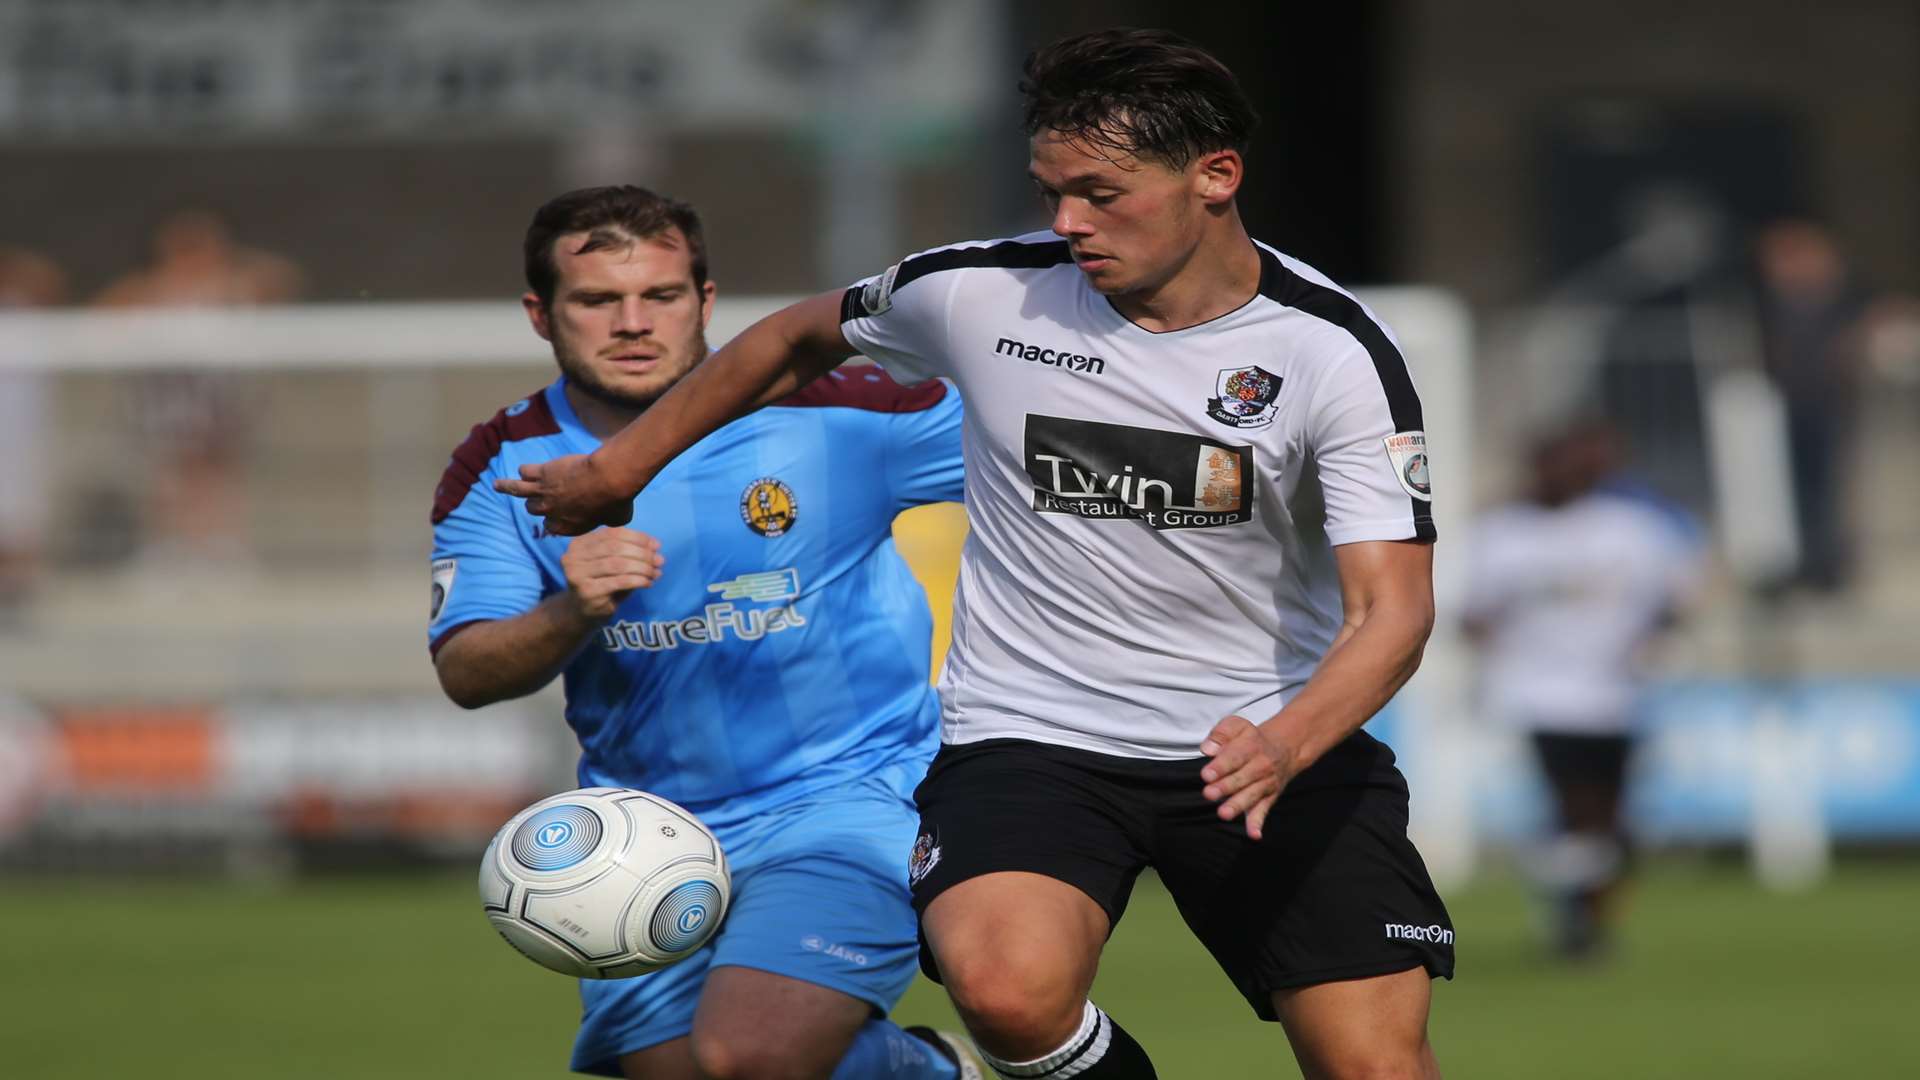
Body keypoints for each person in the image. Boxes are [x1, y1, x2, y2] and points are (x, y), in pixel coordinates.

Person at [498, 30, 1453, 1080]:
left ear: (1214, 177)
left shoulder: (1331, 351)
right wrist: (615, 468)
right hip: (1032, 736)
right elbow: (793, 338)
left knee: (1373, 1067)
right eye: (1052, 191)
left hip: (1269, 740)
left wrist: (1287, 741)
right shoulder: (980, 291)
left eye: (1100, 193)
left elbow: (1393, 613)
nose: (1066, 223)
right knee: (1006, 993)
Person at [429, 185, 980, 1079]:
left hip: (851, 796)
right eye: (599, 301)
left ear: (707, 301)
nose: (634, 323)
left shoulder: (853, 414)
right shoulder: (504, 466)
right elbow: (467, 670)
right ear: (541, 314)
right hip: (645, 831)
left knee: (750, 1056)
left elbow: (1047, 458)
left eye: (663, 296)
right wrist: (573, 610)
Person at [1462, 421, 1698, 960]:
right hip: (1538, 694)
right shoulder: (1502, 533)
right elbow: (1469, 612)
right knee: (1574, 806)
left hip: (1616, 694)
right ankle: (1576, 923)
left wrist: (1650, 639)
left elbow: (1676, 597)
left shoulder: (1633, 529)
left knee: (1610, 817)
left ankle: (1587, 914)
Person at [94, 209, 305, 567]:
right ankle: (170, 547)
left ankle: (221, 546)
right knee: (170, 472)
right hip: (167, 395)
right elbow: (103, 316)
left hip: (219, 394)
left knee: (217, 471)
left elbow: (285, 279)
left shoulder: (238, 283)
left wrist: (228, 264)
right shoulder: (149, 288)